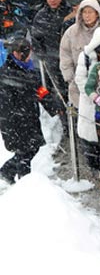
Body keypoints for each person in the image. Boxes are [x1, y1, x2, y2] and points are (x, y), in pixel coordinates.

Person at [0, 38, 53, 184]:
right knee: (25, 152)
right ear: (16, 53)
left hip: (29, 117)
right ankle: (25, 184)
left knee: (31, 148)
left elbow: (39, 90)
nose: (28, 57)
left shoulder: (29, 70)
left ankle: (7, 171)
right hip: (15, 120)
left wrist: (54, 107)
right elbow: (6, 102)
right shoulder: (6, 73)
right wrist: (14, 116)